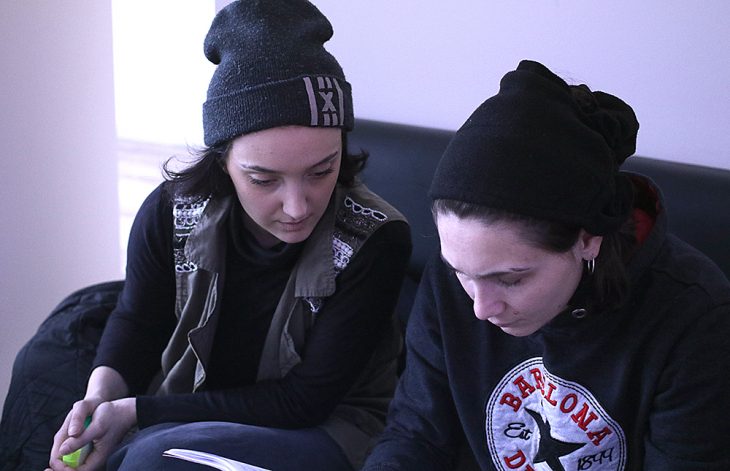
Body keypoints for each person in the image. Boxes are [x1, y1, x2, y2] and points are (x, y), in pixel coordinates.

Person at [46, 1, 411, 470]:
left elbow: (305, 401)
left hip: (325, 428)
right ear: (222, 161)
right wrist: (99, 399)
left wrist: (137, 413)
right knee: (48, 374)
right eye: (264, 179)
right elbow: (138, 320)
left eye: (321, 171)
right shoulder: (171, 211)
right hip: (192, 403)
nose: (298, 207)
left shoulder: (376, 238)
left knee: (156, 457)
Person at [362, 60, 730, 470]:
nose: (481, 307)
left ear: (588, 239)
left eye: (510, 280)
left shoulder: (695, 316)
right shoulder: (458, 274)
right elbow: (416, 434)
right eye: (461, 274)